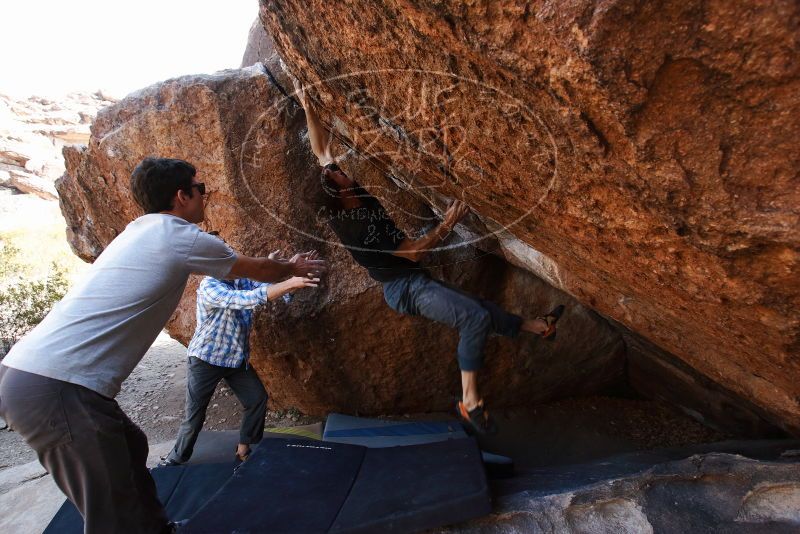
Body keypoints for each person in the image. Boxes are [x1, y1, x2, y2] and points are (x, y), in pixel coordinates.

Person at [0, 157, 326, 534]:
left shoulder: (140, 230)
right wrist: (293, 267)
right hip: (55, 388)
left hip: (31, 375)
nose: (206, 195)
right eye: (200, 189)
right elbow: (260, 272)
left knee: (132, 447)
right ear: (181, 196)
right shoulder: (180, 236)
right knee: (109, 511)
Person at [294, 82, 563, 435]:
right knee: (474, 319)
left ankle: (539, 327)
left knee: (480, 307)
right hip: (405, 288)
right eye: (338, 173)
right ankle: (470, 403)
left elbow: (321, 148)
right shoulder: (360, 226)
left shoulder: (345, 192)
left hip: (412, 278)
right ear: (338, 190)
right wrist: (448, 222)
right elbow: (414, 251)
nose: (341, 168)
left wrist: (306, 104)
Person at [162, 262, 318, 467]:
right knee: (195, 415)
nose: (230, 263)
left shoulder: (239, 280)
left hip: (235, 358)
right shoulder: (210, 287)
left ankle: (244, 448)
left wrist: (287, 270)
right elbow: (246, 299)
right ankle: (176, 459)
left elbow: (261, 285)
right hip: (206, 359)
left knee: (256, 399)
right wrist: (289, 283)